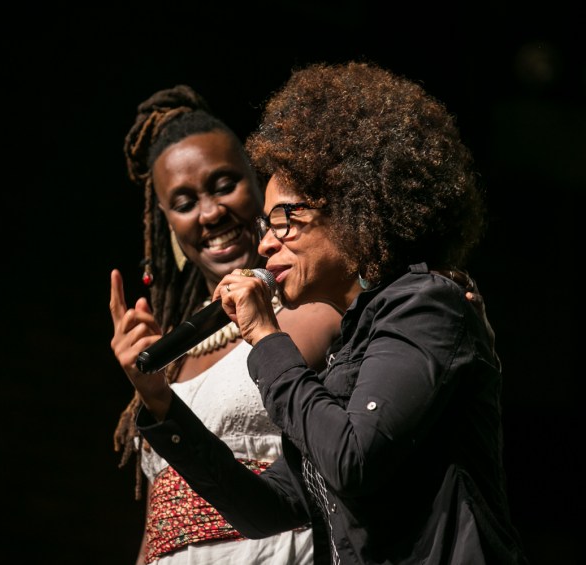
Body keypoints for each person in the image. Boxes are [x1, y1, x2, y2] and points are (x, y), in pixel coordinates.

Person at [123, 62, 528, 564]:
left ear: (351, 209)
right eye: (266, 225)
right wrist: (164, 407)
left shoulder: (428, 306)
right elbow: (266, 511)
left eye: (283, 219)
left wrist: (266, 336)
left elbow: (352, 459)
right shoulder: (348, 354)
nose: (265, 244)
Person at [110, 84, 342, 564]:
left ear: (259, 184)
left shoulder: (316, 307)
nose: (212, 213)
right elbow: (159, 526)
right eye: (184, 203)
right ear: (168, 223)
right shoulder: (174, 350)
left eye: (223, 185)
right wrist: (151, 392)